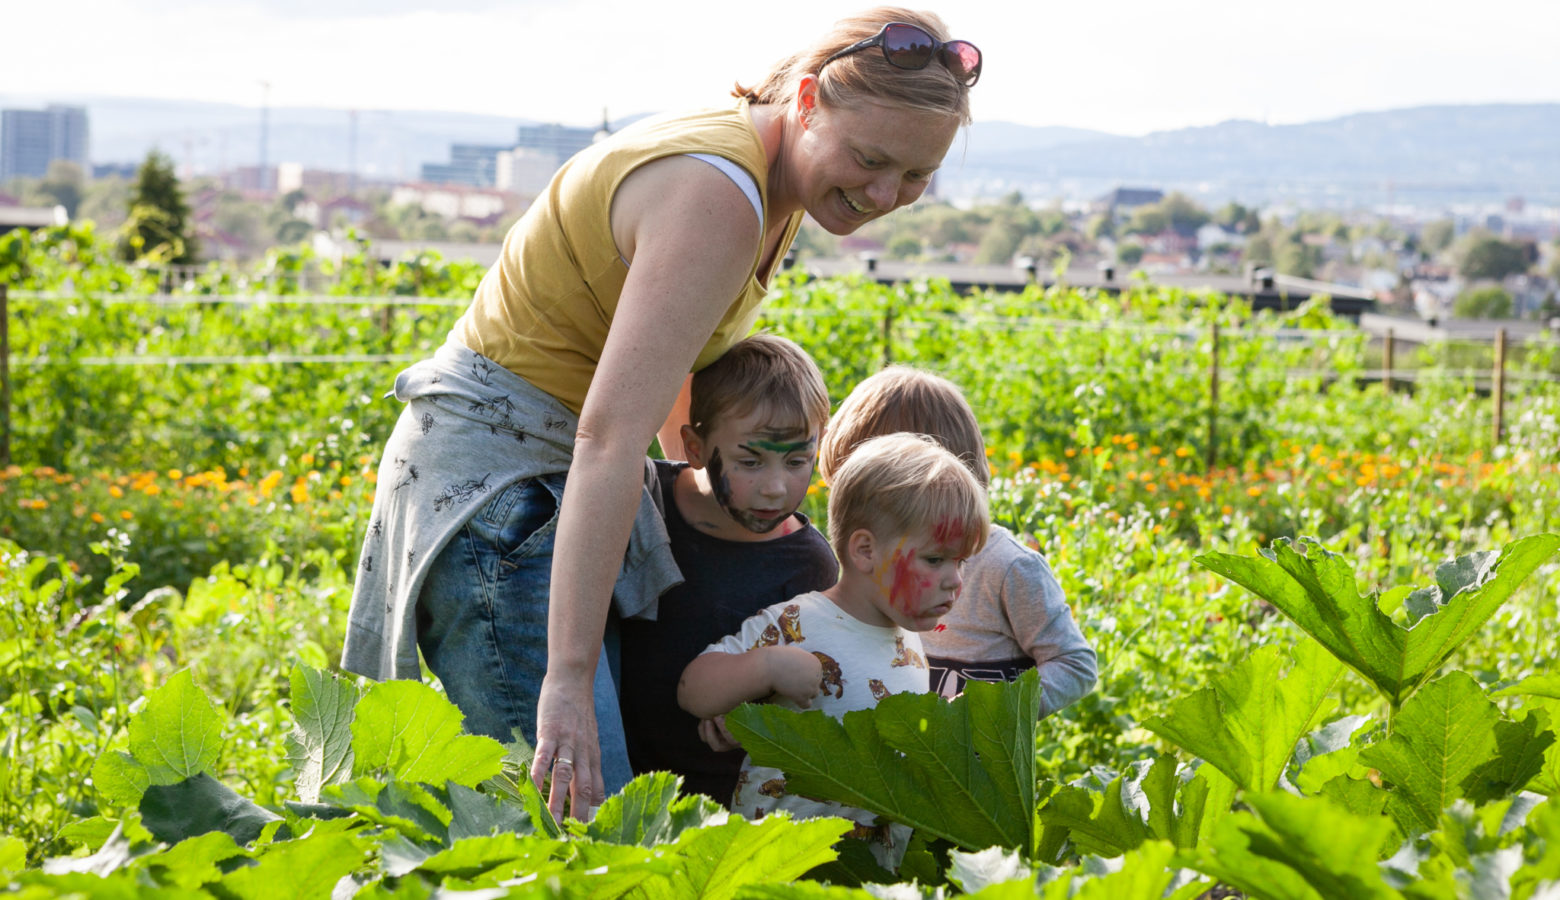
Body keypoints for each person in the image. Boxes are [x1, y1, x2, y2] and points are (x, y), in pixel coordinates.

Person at [339, 7, 982, 819]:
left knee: (577, 820)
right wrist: (566, 679)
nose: (886, 194)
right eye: (869, 158)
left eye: (916, 177)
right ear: (811, 99)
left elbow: (672, 378)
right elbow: (607, 438)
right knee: (575, 827)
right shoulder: (718, 195)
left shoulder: (767, 179)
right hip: (505, 501)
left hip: (547, 490)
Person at [678, 432, 989, 867]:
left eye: (960, 562)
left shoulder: (911, 643)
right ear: (865, 550)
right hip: (778, 870)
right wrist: (766, 666)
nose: (955, 580)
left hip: (870, 876)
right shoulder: (800, 624)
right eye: (935, 560)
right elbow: (693, 687)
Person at [618, 333, 838, 806]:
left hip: (729, 807)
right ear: (695, 448)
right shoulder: (642, 501)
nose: (776, 488)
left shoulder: (809, 565)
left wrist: (759, 720)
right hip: (620, 784)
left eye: (798, 461)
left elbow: (809, 687)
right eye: (749, 461)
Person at [817, 367, 1097, 716]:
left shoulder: (1005, 568)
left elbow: (1074, 663)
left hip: (979, 765)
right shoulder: (867, 558)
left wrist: (995, 710)